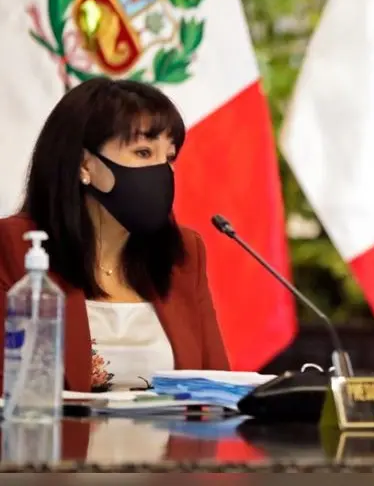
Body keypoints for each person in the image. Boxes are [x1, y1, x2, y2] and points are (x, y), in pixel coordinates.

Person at [0, 77, 229, 393]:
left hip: (173, 442)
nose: (162, 171)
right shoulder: (14, 247)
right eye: (144, 152)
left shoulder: (182, 254)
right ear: (85, 164)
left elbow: (218, 387)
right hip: (59, 441)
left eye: (170, 157)